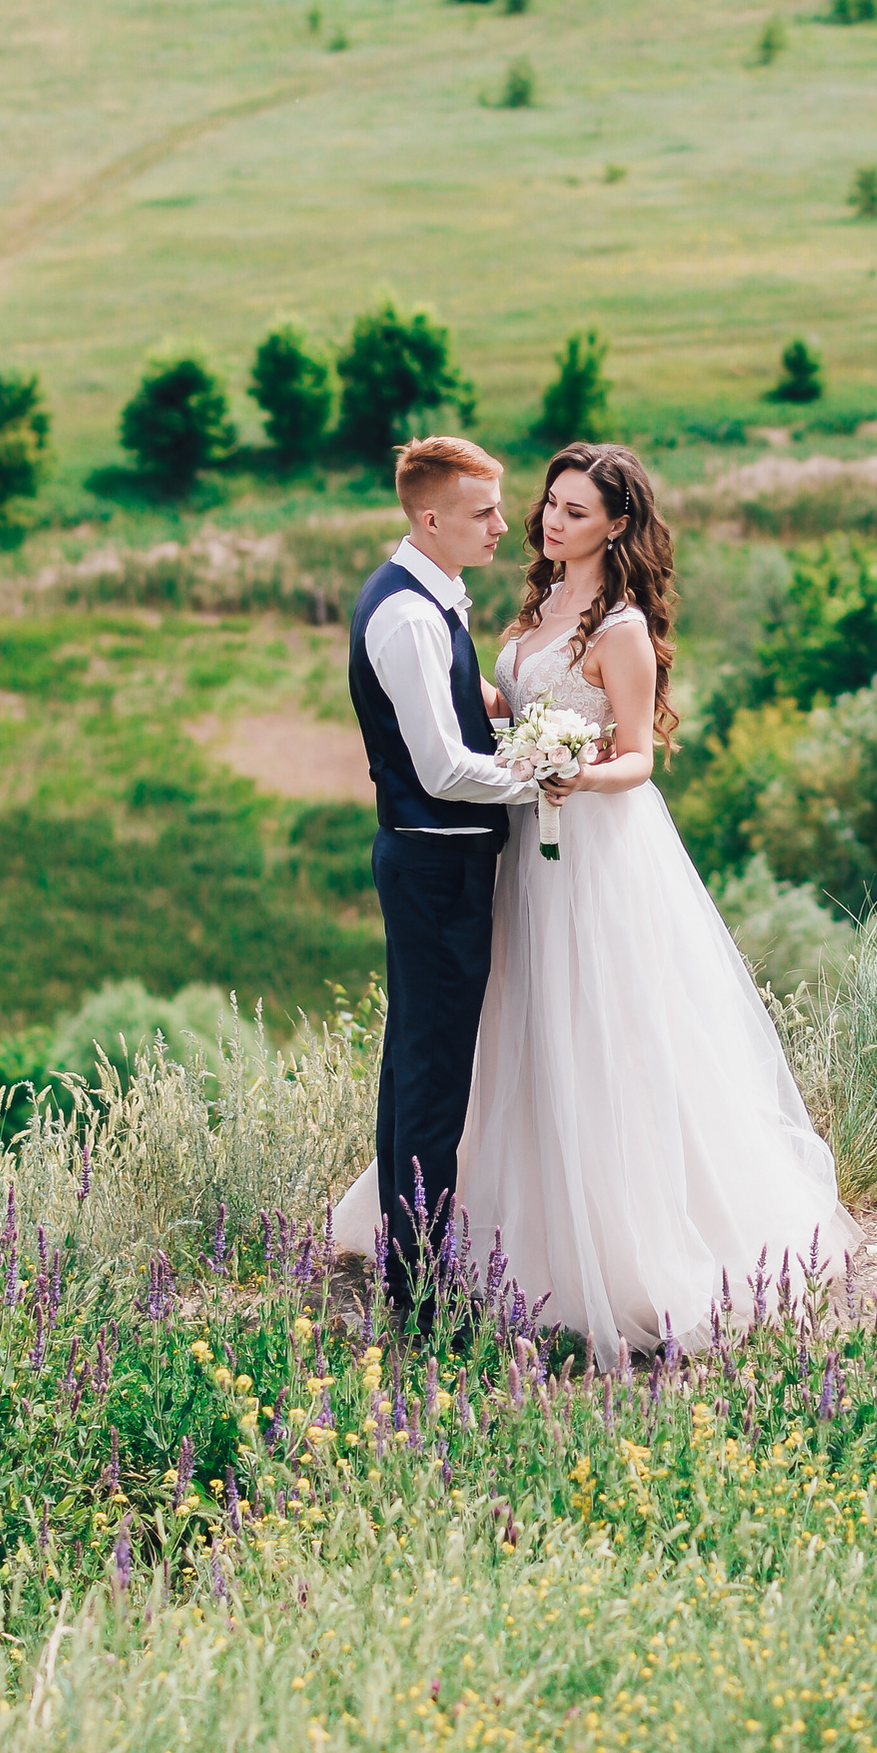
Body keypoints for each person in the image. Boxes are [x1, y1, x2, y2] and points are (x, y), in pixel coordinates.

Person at [338, 439, 844, 1362]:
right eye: (549, 505)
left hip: (594, 844)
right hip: (523, 848)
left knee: (601, 1028)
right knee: (520, 1028)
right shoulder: (527, 609)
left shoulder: (622, 627)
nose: (544, 522)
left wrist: (570, 770)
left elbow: (639, 757)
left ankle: (612, 1243)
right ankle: (504, 1233)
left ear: (616, 525)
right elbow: (493, 708)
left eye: (574, 511)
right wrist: (509, 729)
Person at [342, 434, 544, 1320]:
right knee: (432, 1081)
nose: (503, 526)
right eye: (483, 512)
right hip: (435, 864)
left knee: (416, 1067)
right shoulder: (412, 617)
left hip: (436, 858)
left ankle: (409, 1273)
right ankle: (423, 1297)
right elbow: (442, 769)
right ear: (431, 519)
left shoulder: (429, 599)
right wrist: (544, 775)